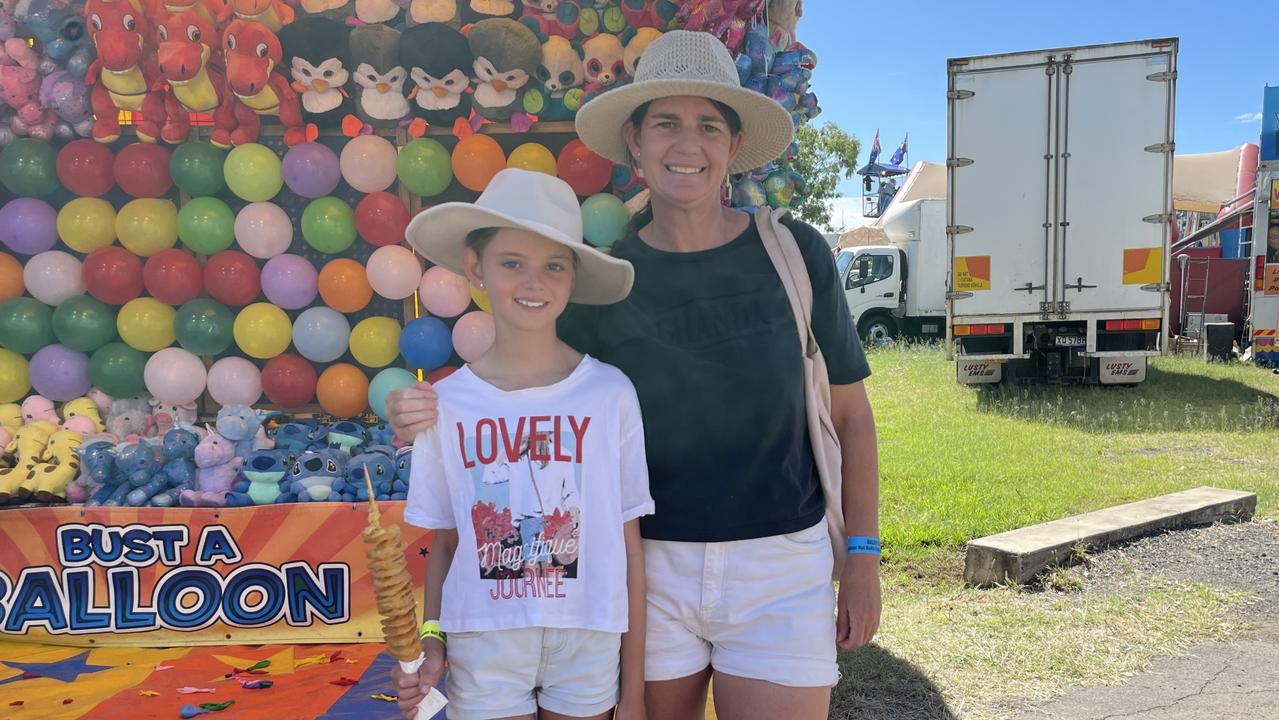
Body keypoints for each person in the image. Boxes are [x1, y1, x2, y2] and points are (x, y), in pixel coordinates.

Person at [387, 30, 882, 720]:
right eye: (666, 125)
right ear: (634, 142)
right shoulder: (602, 284)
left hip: (781, 565)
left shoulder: (792, 253)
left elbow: (851, 418)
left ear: (732, 146)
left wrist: (861, 556)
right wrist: (421, 412)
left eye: (708, 126)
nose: (688, 144)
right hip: (644, 571)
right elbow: (527, 396)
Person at [393, 168, 655, 720]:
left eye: (554, 265)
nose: (534, 282)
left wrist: (633, 695)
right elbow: (445, 545)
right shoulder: (447, 405)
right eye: (512, 262)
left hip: (588, 639)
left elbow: (630, 545)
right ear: (476, 269)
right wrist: (433, 636)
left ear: (573, 277)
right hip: (483, 643)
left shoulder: (610, 394)